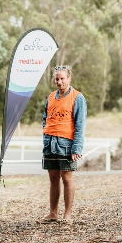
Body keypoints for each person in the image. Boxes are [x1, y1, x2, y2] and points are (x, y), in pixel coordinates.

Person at [39, 65, 87, 223]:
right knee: (53, 178)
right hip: (50, 142)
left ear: (69, 78)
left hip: (66, 143)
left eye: (62, 79)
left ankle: (67, 214)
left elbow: (80, 125)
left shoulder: (77, 97)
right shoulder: (51, 96)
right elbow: (45, 117)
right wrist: (45, 132)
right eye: (57, 79)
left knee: (67, 178)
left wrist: (77, 148)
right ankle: (53, 213)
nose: (59, 82)